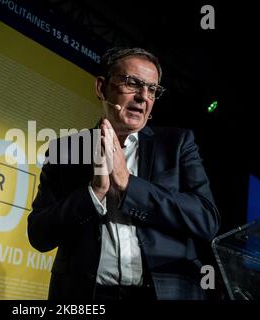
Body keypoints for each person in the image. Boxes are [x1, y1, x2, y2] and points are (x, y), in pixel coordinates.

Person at [27, 47, 220, 300]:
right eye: (132, 83)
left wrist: (129, 184)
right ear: (101, 88)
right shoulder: (65, 151)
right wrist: (93, 194)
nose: (143, 97)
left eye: (152, 89)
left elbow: (207, 219)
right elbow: (40, 235)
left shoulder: (177, 144)